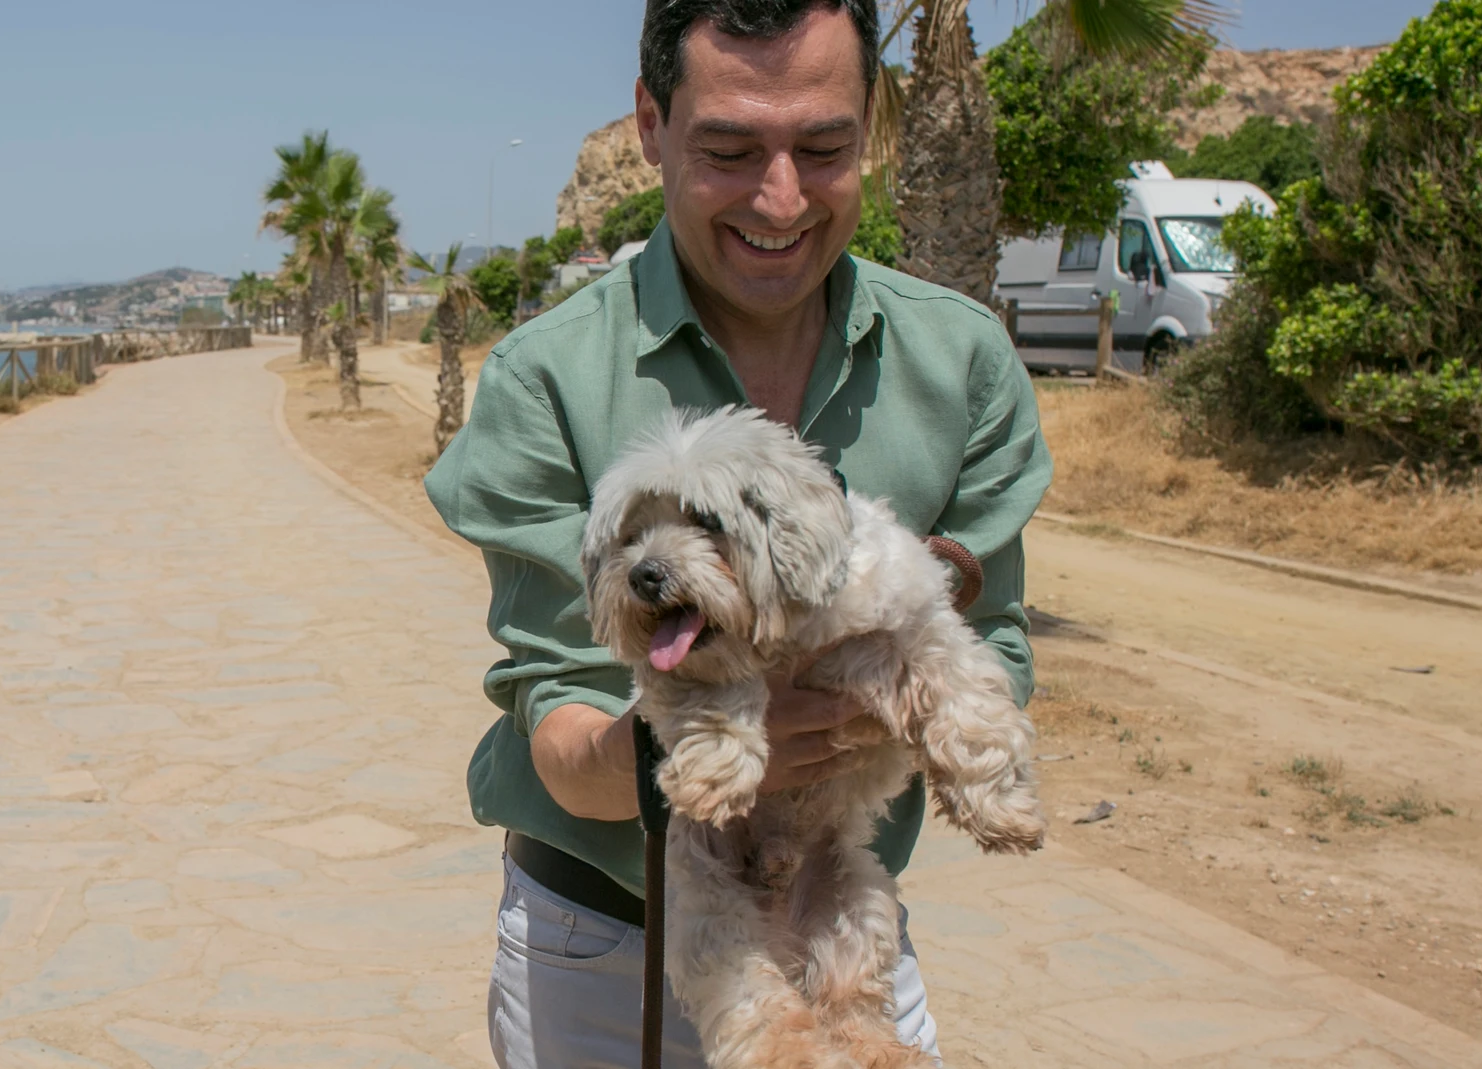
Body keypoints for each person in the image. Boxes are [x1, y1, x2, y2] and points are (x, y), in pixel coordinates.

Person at [424, 1, 1051, 1064]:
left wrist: (903, 705)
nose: (779, 197)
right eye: (727, 149)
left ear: (872, 130)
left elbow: (993, 649)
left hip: (846, 923)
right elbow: (563, 725)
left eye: (822, 147)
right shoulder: (546, 377)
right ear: (651, 127)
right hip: (603, 944)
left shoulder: (963, 361)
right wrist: (696, 732)